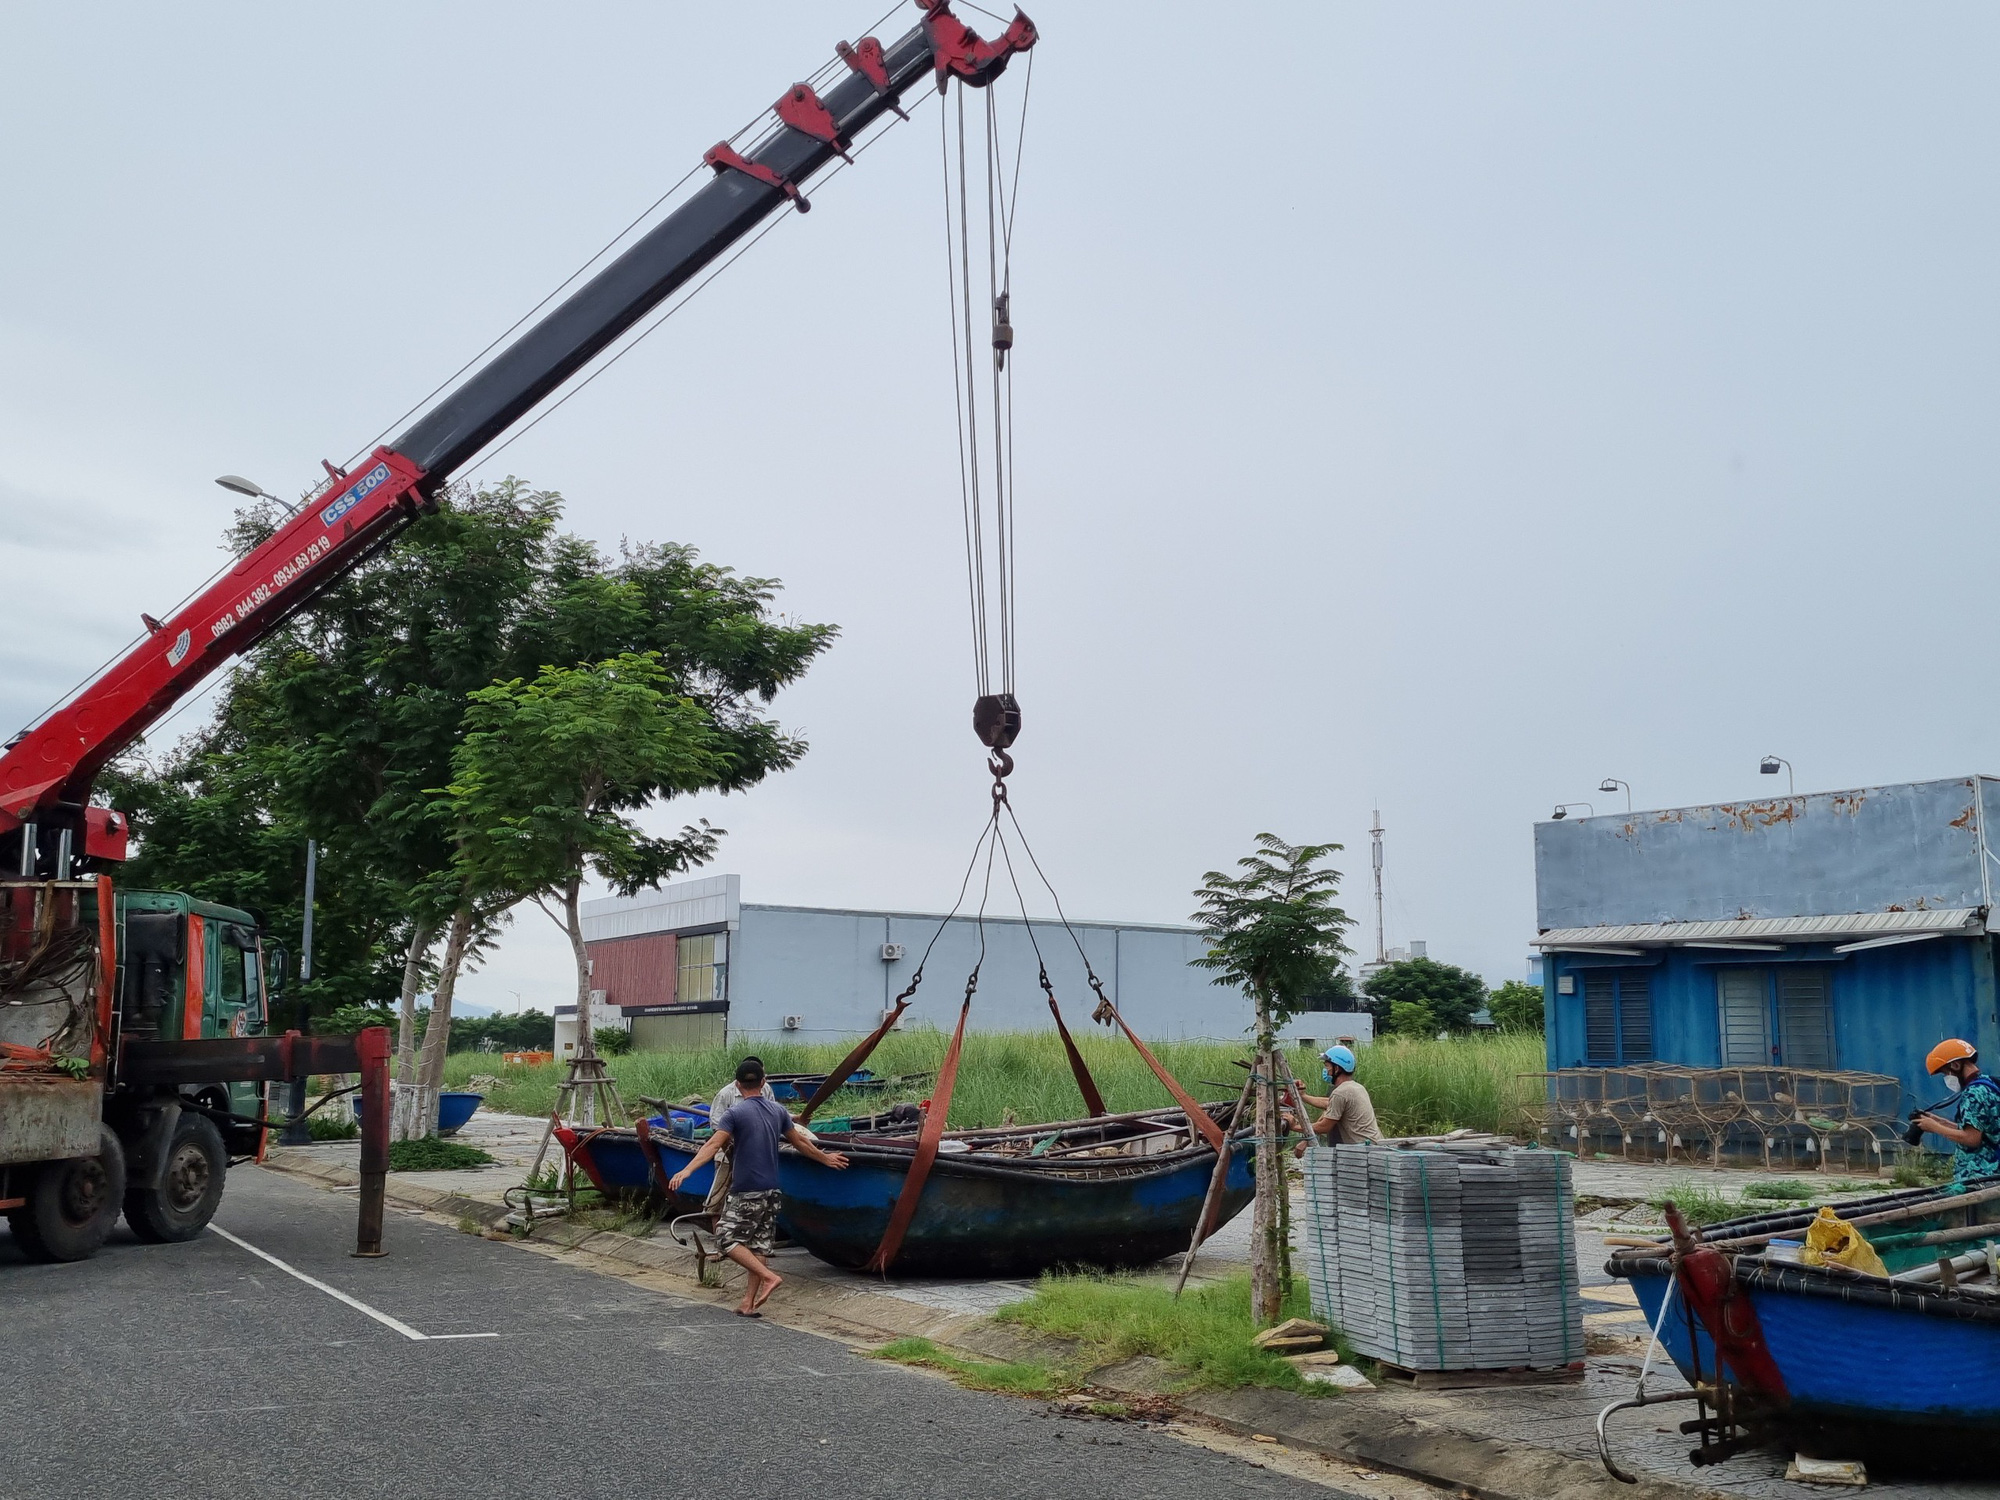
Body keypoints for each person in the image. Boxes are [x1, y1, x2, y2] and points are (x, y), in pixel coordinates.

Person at [670, 1057, 849, 1315]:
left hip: (746, 1190)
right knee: (758, 1245)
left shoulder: (734, 1113)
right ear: (763, 1083)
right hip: (771, 1190)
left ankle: (768, 1277)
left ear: (737, 1085)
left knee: (724, 1238)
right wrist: (826, 1158)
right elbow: (800, 1142)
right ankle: (748, 1303)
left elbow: (712, 1145)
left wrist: (687, 1170)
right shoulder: (778, 1112)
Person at [1912, 1039, 2000, 1189]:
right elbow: (1980, 1130)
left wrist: (1935, 1128)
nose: (1946, 1078)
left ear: (1956, 1065)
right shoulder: (1988, 1083)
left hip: (1980, 1179)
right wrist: (1940, 1122)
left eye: (1945, 1073)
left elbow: (1972, 1138)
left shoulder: (1973, 1094)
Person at [1294, 1044, 1384, 1149]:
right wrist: (1303, 1096)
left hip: (1364, 1151)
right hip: (1376, 1146)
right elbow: (1330, 1103)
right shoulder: (1357, 1087)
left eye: (1327, 1066)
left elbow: (1325, 1126)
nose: (1325, 1070)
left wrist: (1294, 1126)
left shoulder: (1340, 1093)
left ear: (1336, 1068)